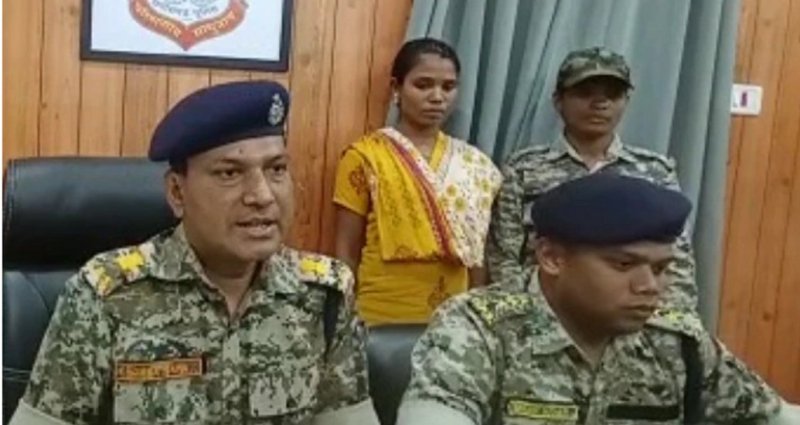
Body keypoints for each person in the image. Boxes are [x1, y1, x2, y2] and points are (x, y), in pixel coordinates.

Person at [10, 81, 379, 425]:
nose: (263, 195)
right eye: (230, 173)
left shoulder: (324, 294)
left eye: (276, 169)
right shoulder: (107, 296)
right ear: (177, 192)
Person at [397, 173, 785, 424]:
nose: (650, 286)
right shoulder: (479, 327)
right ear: (552, 258)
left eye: (661, 268)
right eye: (624, 264)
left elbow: (776, 417)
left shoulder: (678, 342)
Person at [487, 46, 697, 312]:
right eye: (585, 93)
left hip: (632, 316)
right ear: (558, 101)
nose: (600, 104)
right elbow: (503, 259)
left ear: (626, 101)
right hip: (545, 316)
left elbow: (677, 261)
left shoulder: (654, 172)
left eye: (613, 94)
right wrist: (526, 317)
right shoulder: (524, 169)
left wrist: (665, 321)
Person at [333, 38, 502, 326]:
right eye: (423, 85)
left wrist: (477, 316)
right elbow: (346, 251)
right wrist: (344, 317)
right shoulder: (366, 157)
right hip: (381, 316)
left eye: (448, 87)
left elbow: (477, 255)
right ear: (396, 88)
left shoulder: (474, 165)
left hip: (455, 319)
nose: (437, 97)